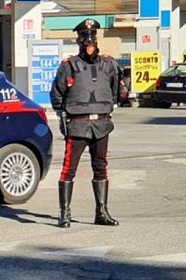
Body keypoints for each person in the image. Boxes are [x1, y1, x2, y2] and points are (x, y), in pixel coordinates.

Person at [50, 18, 120, 228]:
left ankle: (102, 212)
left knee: (101, 167)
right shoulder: (68, 66)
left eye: (92, 37)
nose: (89, 42)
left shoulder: (109, 64)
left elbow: (116, 91)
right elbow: (57, 94)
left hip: (101, 123)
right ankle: (65, 212)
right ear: (78, 40)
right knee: (69, 169)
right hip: (78, 124)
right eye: (84, 37)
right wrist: (62, 116)